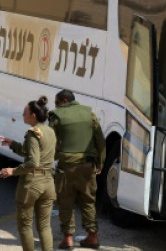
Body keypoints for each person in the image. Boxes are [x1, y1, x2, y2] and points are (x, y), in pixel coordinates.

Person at [48, 90, 106, 249]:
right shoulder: (89, 114)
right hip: (88, 166)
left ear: (64, 100)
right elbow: (100, 140)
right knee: (88, 201)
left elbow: (49, 140)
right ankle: (92, 236)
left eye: (57, 102)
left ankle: (68, 239)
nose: (56, 106)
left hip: (66, 167)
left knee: (65, 201)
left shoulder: (56, 116)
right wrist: (100, 163)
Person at [0, 96, 57, 251]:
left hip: (32, 184)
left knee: (25, 226)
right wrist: (13, 144)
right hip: (48, 182)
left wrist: (13, 171)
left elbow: (32, 162)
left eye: (25, 113)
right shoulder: (50, 131)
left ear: (33, 115)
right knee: (44, 226)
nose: (22, 115)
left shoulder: (33, 133)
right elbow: (33, 152)